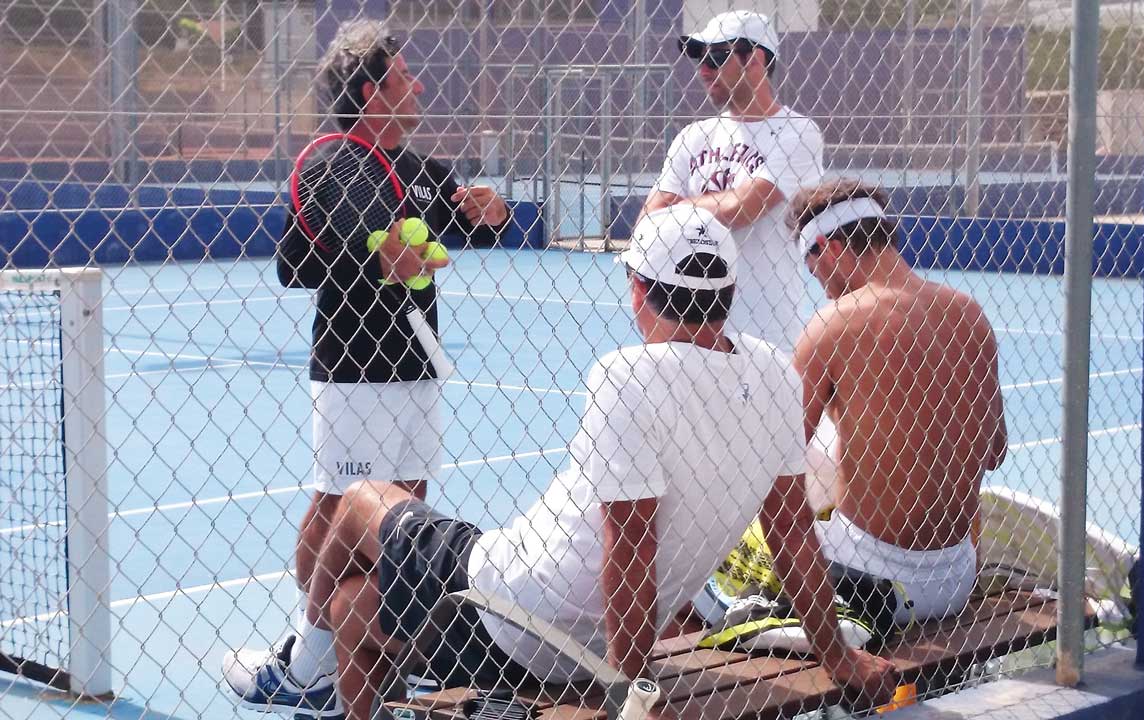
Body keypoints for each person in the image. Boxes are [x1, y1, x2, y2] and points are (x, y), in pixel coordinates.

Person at [304, 205, 900, 720]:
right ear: (730, 294)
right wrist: (838, 655)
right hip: (575, 637)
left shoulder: (627, 374)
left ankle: (301, 654)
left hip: (510, 610)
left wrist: (632, 691)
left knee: (360, 502)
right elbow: (792, 532)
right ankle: (328, 639)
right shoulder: (773, 372)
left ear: (639, 292)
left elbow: (631, 543)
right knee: (355, 605)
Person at [222, 19, 512, 718]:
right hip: (354, 374)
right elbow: (339, 249)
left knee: (402, 514)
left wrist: (491, 213)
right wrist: (387, 253)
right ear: (372, 92)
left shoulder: (414, 168)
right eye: (405, 76)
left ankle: (376, 649)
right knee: (335, 509)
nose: (419, 85)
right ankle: (310, 659)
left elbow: (468, 224)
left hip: (415, 369)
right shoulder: (332, 161)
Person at [791, 180, 1009, 627]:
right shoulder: (969, 314)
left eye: (815, 272)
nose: (824, 289)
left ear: (828, 249)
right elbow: (995, 451)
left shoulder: (830, 326)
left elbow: (777, 456)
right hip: (955, 578)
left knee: (716, 553)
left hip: (868, 579)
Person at [644, 10, 824, 352]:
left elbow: (744, 208)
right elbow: (649, 219)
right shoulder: (693, 135)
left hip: (766, 335)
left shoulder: (798, 133)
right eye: (699, 58)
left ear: (754, 59)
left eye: (715, 57)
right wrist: (705, 208)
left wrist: (677, 209)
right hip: (685, 333)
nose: (704, 69)